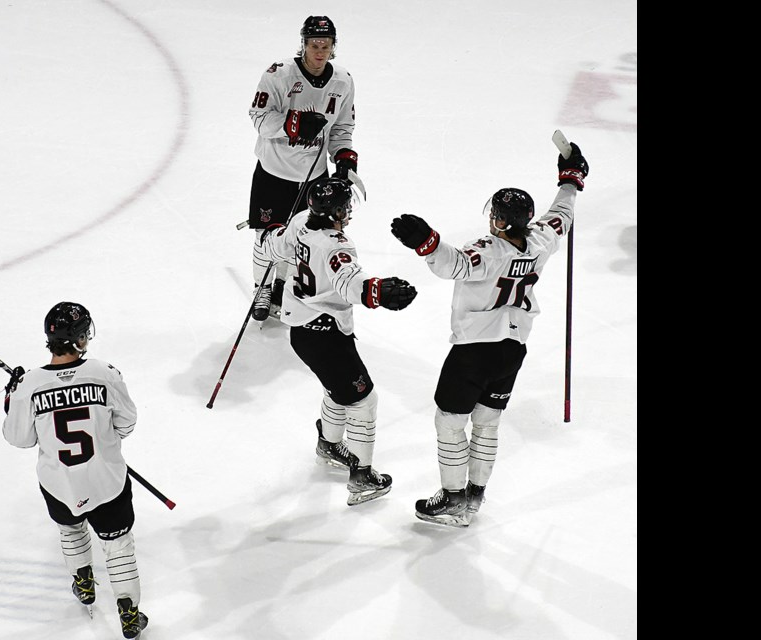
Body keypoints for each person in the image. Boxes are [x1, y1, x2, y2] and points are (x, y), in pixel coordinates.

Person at [389, 142, 590, 527]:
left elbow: (454, 265)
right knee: (487, 422)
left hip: (474, 352)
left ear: (500, 222)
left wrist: (426, 243)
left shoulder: (487, 251)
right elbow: (561, 214)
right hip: (513, 350)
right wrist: (571, 179)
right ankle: (475, 495)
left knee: (449, 422)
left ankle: (452, 500)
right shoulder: (541, 239)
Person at [257, 177, 418, 505]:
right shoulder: (336, 245)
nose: (347, 213)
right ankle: (363, 477)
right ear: (334, 212)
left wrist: (269, 230)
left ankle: (329, 445)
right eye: (344, 208)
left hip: (301, 331)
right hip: (325, 334)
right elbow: (348, 282)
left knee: (339, 390)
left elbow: (273, 245)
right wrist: (377, 292)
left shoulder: (301, 220)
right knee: (363, 400)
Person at [2, 302, 149, 639]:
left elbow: (18, 438)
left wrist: (12, 399)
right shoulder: (104, 373)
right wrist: (107, 442)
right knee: (118, 545)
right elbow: (127, 421)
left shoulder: (30, 384)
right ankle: (129, 614)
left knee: (71, 531)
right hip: (106, 480)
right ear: (81, 338)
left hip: (58, 484)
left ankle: (83, 582)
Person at [247, 15, 360, 322]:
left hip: (314, 174)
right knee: (266, 235)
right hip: (274, 171)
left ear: (333, 46)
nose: (319, 51)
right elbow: (258, 116)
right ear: (304, 44)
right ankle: (262, 288)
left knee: (304, 237)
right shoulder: (279, 74)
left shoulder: (343, 80)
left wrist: (344, 157)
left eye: (325, 45)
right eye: (314, 45)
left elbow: (343, 128)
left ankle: (285, 284)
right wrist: (291, 124)